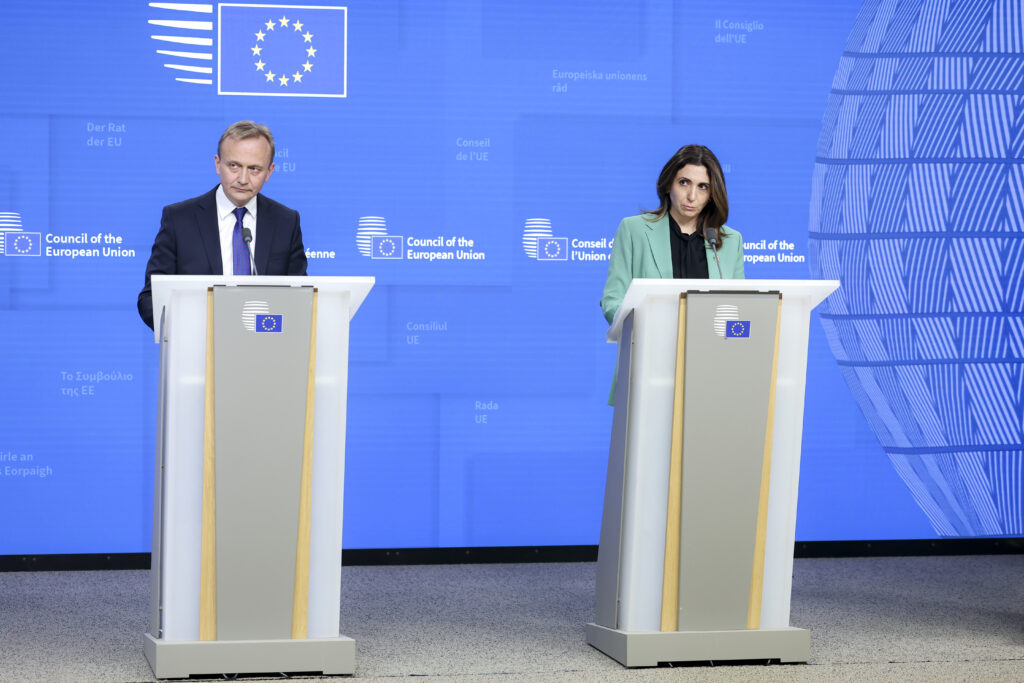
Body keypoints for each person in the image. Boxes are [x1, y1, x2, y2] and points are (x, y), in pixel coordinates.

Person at [137, 120, 308, 329]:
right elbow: (150, 299)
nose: (243, 179)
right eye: (234, 166)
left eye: (254, 169)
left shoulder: (286, 222)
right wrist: (189, 329)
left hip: (266, 343)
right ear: (218, 164)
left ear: (269, 172)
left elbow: (301, 298)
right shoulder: (179, 219)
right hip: (197, 344)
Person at [600, 144, 744, 326]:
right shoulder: (634, 229)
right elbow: (613, 300)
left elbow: (739, 307)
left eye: (703, 186)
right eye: (684, 182)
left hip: (710, 342)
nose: (692, 196)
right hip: (650, 340)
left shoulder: (730, 241)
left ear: (712, 193)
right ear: (669, 185)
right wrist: (638, 327)